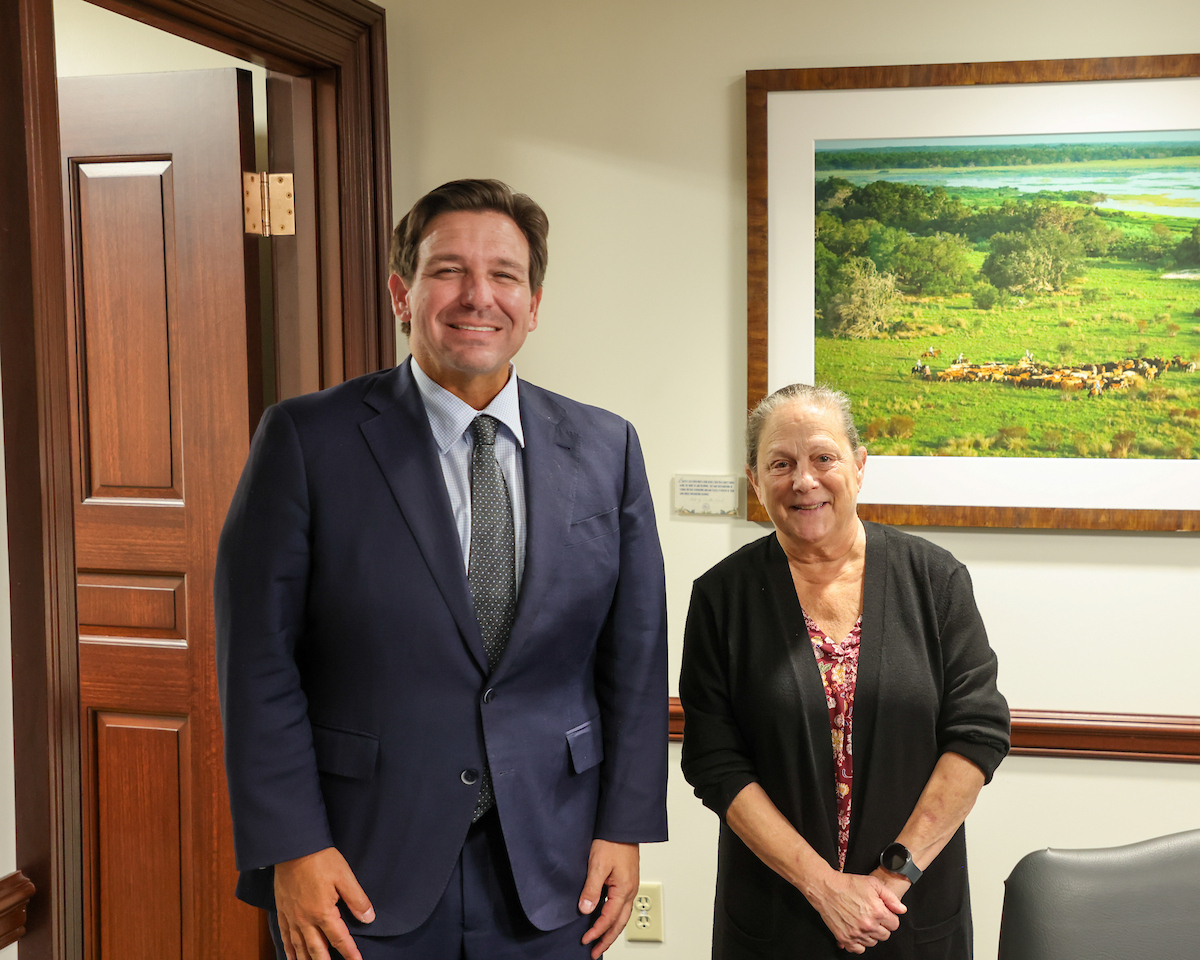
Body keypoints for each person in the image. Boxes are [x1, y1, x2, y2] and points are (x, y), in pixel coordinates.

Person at [216, 179, 668, 960]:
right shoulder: (305, 440)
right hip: (353, 870)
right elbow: (257, 662)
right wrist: (291, 845)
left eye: (504, 275)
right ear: (403, 292)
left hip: (554, 870)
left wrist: (624, 828)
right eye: (449, 270)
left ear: (534, 303)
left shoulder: (607, 449)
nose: (477, 296)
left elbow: (634, 658)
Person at [679, 382, 1009, 959]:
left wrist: (891, 879)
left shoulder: (936, 580)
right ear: (756, 482)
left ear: (858, 466)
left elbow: (978, 734)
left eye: (823, 458)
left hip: (908, 915)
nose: (804, 481)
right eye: (780, 463)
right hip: (776, 918)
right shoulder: (720, 598)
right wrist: (825, 888)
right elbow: (714, 761)